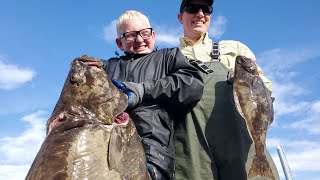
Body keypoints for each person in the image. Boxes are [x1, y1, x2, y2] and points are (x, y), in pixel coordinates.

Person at [77, 10, 203, 180]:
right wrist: (83, 67)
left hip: (152, 155)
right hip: (105, 153)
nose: (139, 40)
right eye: (130, 35)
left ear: (153, 35)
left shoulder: (168, 57)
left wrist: (143, 90)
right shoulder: (107, 67)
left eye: (144, 33)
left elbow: (191, 84)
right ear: (119, 43)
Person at [174, 0, 280, 179]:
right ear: (180, 17)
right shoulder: (167, 57)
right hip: (191, 149)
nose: (200, 14)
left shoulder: (234, 48)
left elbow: (265, 91)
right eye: (192, 9)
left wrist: (247, 82)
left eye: (206, 9)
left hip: (238, 143)